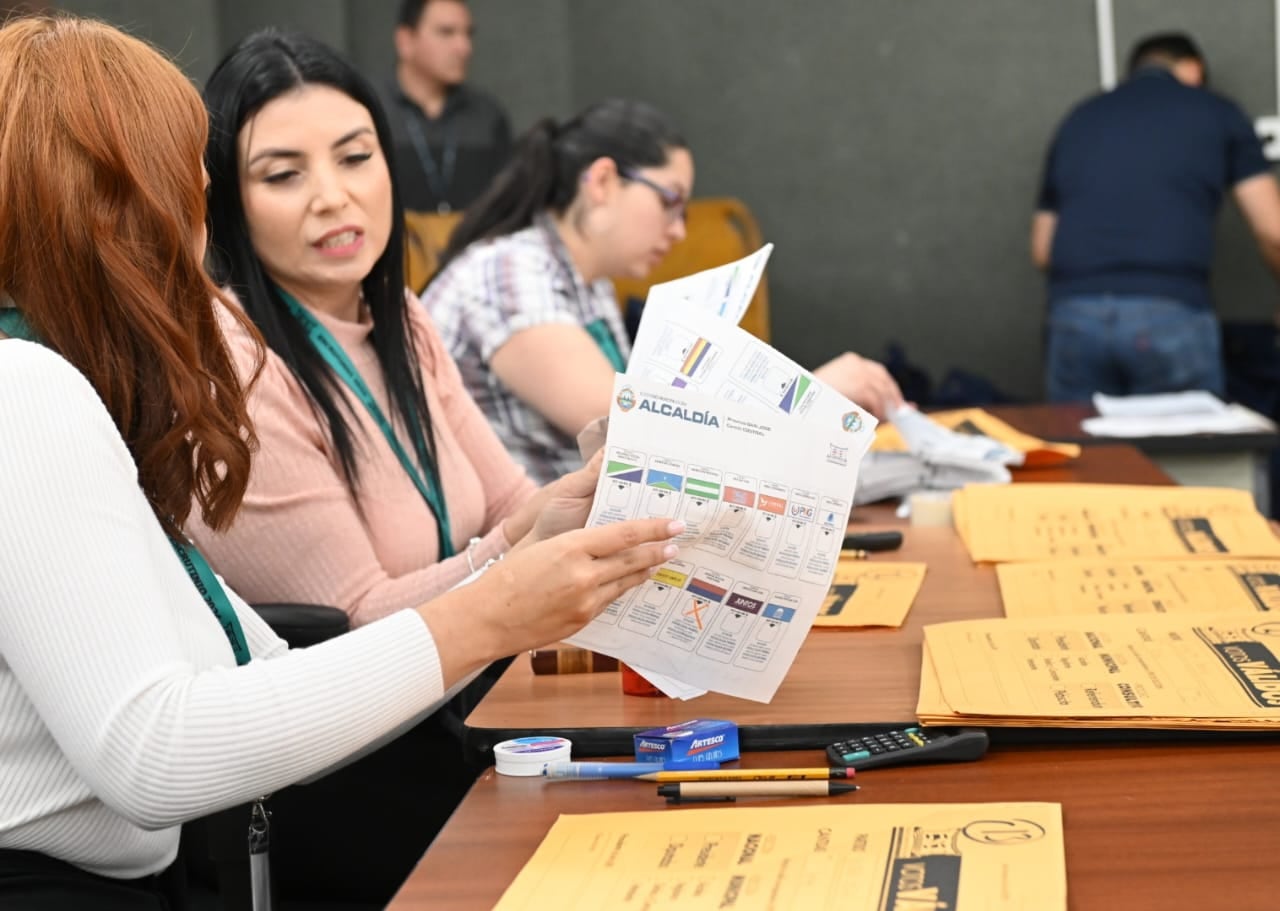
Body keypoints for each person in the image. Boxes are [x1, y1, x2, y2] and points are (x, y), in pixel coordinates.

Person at [0, 15, 678, 909]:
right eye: (190, 192)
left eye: (356, 157)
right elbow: (154, 752)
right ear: (101, 208)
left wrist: (519, 556)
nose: (197, 244)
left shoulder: (66, 384)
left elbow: (273, 666)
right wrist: (495, 607)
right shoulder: (30, 389)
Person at [423, 99, 904, 485]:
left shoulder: (588, 285)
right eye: (671, 201)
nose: (678, 231)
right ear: (603, 181)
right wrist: (810, 398)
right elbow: (639, 437)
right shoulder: (509, 273)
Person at [1032, 31, 1280, 402]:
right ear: (1192, 69)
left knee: (1088, 458)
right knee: (1184, 458)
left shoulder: (1080, 119)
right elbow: (1273, 231)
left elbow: (1042, 250)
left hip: (1074, 316)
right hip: (1169, 310)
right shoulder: (1215, 111)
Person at [380, 0, 511, 213]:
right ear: (405, 41)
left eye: (468, 34)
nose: (464, 48)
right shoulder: (374, 112)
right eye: (446, 32)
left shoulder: (488, 117)